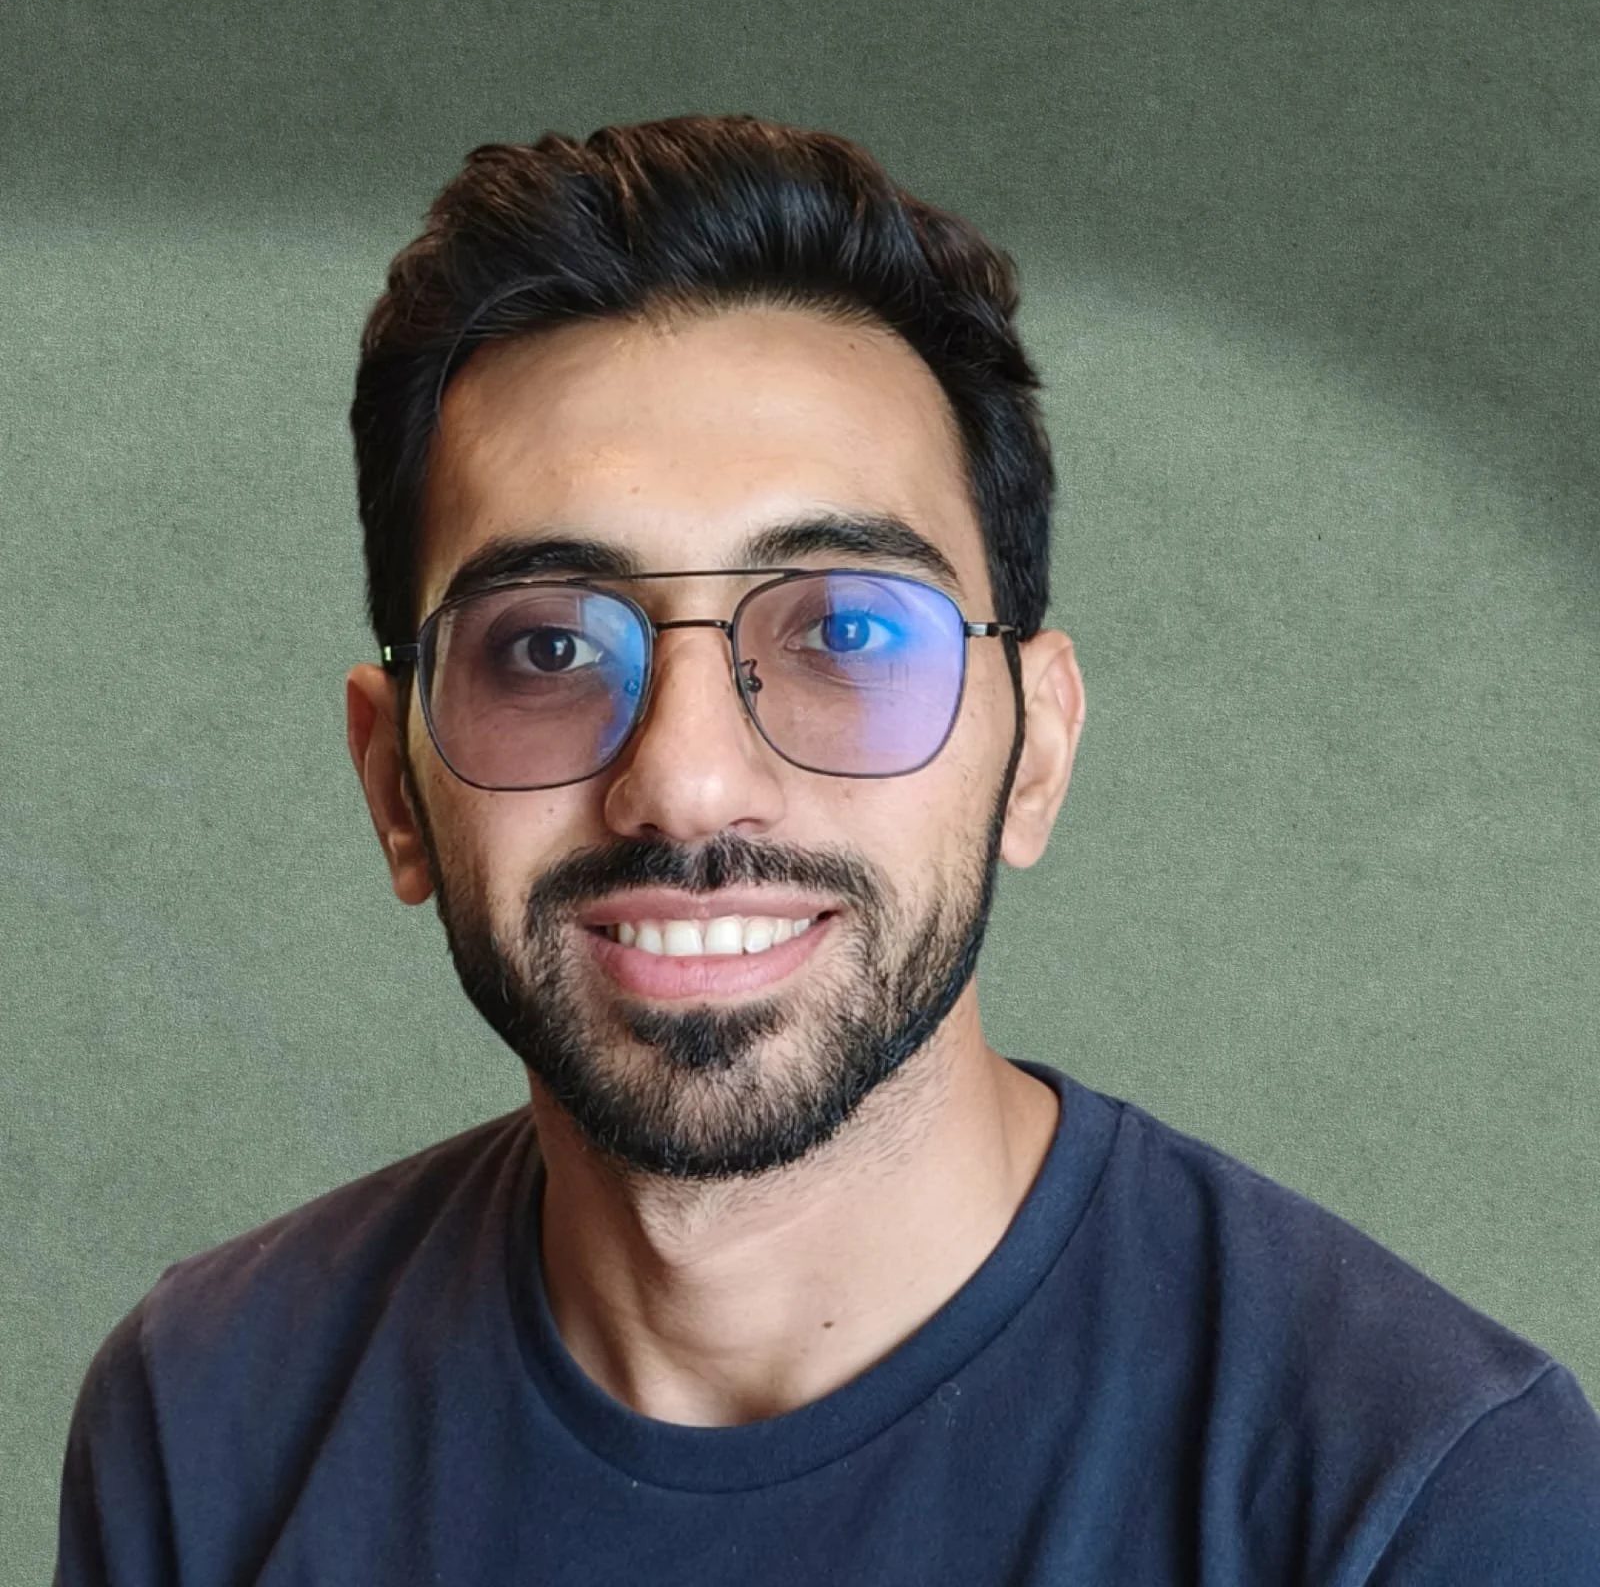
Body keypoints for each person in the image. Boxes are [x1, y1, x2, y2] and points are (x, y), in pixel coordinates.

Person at [56, 114, 1600, 1585]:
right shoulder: (207, 1417)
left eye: (848, 630)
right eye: (545, 647)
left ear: (1034, 750)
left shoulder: (1428, 1502)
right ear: (393, 785)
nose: (685, 783)